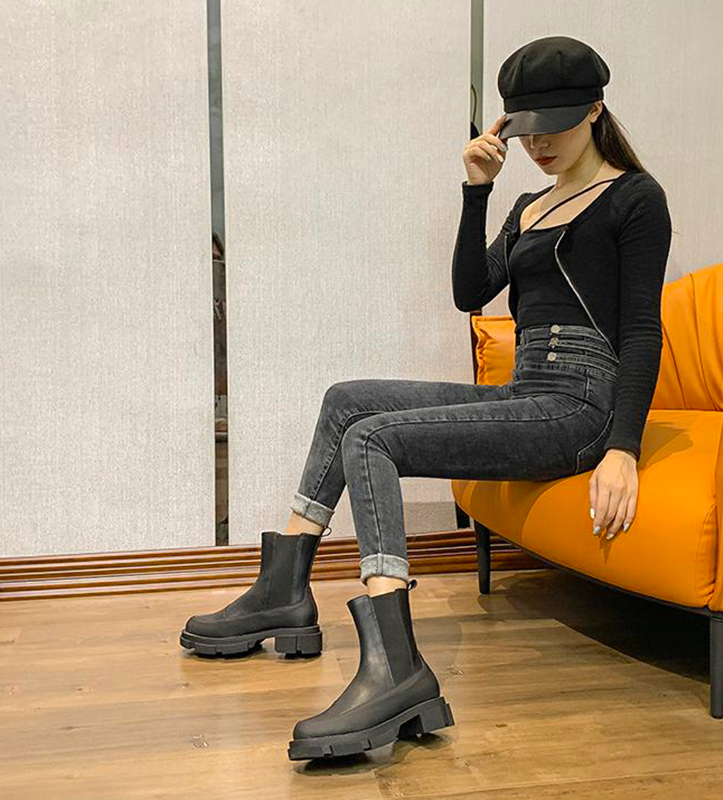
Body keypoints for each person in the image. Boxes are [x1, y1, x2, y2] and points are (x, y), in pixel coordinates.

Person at [178, 35, 672, 762]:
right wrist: (477, 191)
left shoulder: (635, 197)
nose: (537, 144)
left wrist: (622, 447)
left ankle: (397, 666)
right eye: (525, 129)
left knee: (372, 438)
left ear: (595, 110)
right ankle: (283, 592)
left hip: (582, 408)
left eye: (554, 127)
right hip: (530, 390)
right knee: (347, 400)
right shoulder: (531, 206)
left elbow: (641, 330)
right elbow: (470, 292)